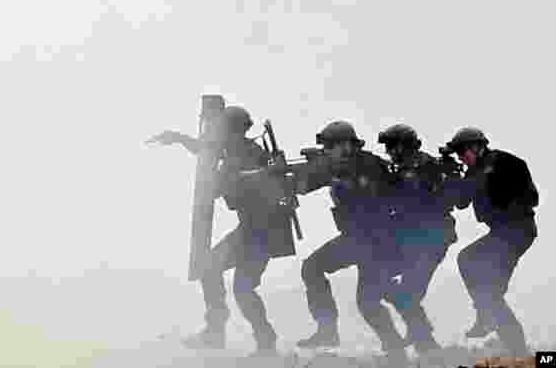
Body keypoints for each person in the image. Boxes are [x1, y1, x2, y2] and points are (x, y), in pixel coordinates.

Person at [149, 105, 295, 356]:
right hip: (250, 229)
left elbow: (241, 179)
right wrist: (178, 138)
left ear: (233, 132)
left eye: (222, 131)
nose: (218, 137)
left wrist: (218, 183)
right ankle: (216, 332)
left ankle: (264, 342)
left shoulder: (248, 155)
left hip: (263, 233)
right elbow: (206, 151)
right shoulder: (234, 151)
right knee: (209, 268)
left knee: (243, 288)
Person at [295, 121, 407, 364]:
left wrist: (324, 169)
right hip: (358, 239)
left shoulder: (370, 165)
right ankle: (331, 332)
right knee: (317, 271)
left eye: (329, 147)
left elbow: (364, 188)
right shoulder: (336, 166)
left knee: (364, 300)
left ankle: (396, 351)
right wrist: (297, 172)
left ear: (346, 146)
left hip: (376, 240)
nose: (326, 151)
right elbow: (302, 187)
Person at [443, 127, 538, 357]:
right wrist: (452, 176)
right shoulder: (473, 172)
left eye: (463, 152)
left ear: (477, 146)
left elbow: (532, 197)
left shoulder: (506, 162)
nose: (461, 158)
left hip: (518, 230)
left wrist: (495, 189)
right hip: (501, 233)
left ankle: (511, 343)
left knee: (484, 282)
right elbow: (461, 202)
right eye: (458, 155)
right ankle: (510, 342)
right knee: (485, 285)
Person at [378, 124, 458, 356]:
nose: (389, 151)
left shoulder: (424, 166)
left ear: (404, 146)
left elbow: (415, 200)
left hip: (431, 240)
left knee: (408, 294)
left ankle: (428, 347)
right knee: (383, 282)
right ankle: (424, 339)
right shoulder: (404, 168)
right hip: (413, 240)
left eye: (392, 146)